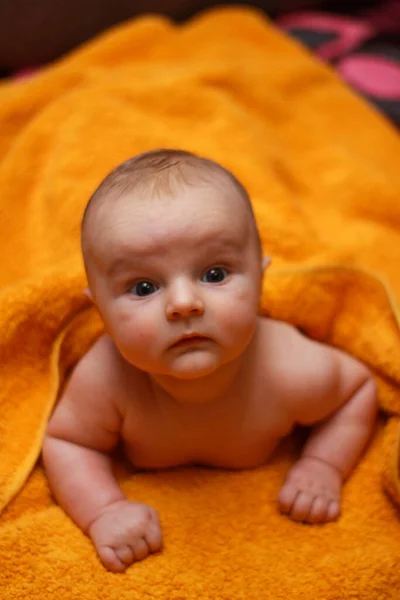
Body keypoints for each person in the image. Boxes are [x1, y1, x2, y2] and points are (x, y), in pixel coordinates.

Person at [42, 149, 378, 573]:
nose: (184, 303)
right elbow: (69, 443)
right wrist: (104, 510)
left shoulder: (292, 369)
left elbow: (358, 390)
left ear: (260, 279)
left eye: (215, 274)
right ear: (100, 311)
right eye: (144, 287)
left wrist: (324, 464)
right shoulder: (104, 379)